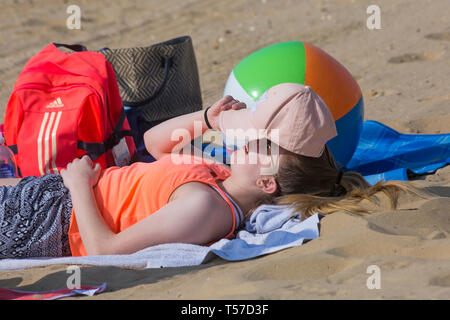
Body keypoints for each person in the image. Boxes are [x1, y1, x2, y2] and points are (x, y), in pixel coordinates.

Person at [0, 83, 414, 259]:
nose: (240, 140)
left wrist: (76, 187)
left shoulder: (205, 206)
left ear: (267, 182)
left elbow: (104, 250)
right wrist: (207, 118)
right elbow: (154, 146)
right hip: (54, 193)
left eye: (253, 140)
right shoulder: (216, 173)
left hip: (53, 222)